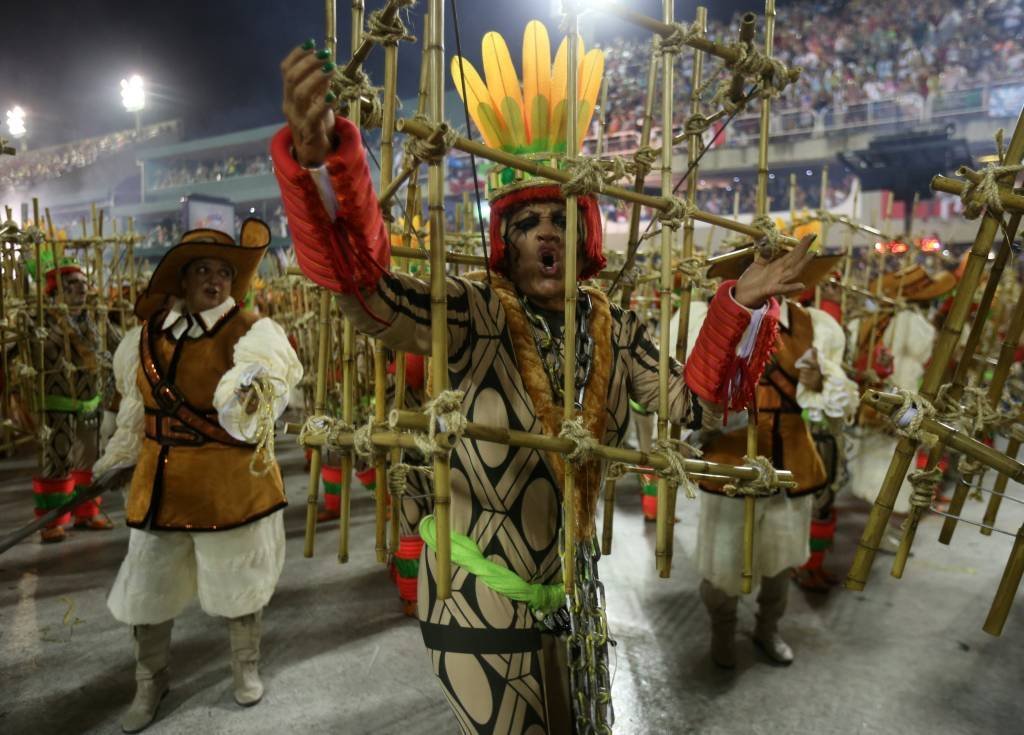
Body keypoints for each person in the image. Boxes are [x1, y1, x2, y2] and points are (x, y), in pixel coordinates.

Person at [272, 25, 813, 733]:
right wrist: (323, 167)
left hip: (571, 582)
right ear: (507, 240)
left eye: (560, 218)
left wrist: (737, 306)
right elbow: (365, 293)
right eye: (528, 223)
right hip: (474, 582)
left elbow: (697, 405)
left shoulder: (619, 326)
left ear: (584, 233)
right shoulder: (468, 310)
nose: (547, 234)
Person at [93, 219, 303, 733]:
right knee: (147, 589)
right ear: (182, 282)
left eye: (223, 272)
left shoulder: (254, 333)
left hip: (229, 485)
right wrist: (118, 459)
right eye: (202, 270)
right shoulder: (143, 341)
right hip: (159, 484)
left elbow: (260, 385)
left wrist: (251, 393)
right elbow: (133, 414)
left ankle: (244, 670)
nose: (214, 280)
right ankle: (150, 681)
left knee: (240, 585)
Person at [27, 256, 121, 542]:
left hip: (91, 404)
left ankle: (87, 512)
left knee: (91, 461)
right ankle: (52, 522)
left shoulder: (96, 319)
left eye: (83, 283)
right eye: (73, 284)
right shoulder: (37, 321)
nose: (82, 289)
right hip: (57, 405)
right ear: (56, 291)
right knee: (57, 462)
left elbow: (120, 346)